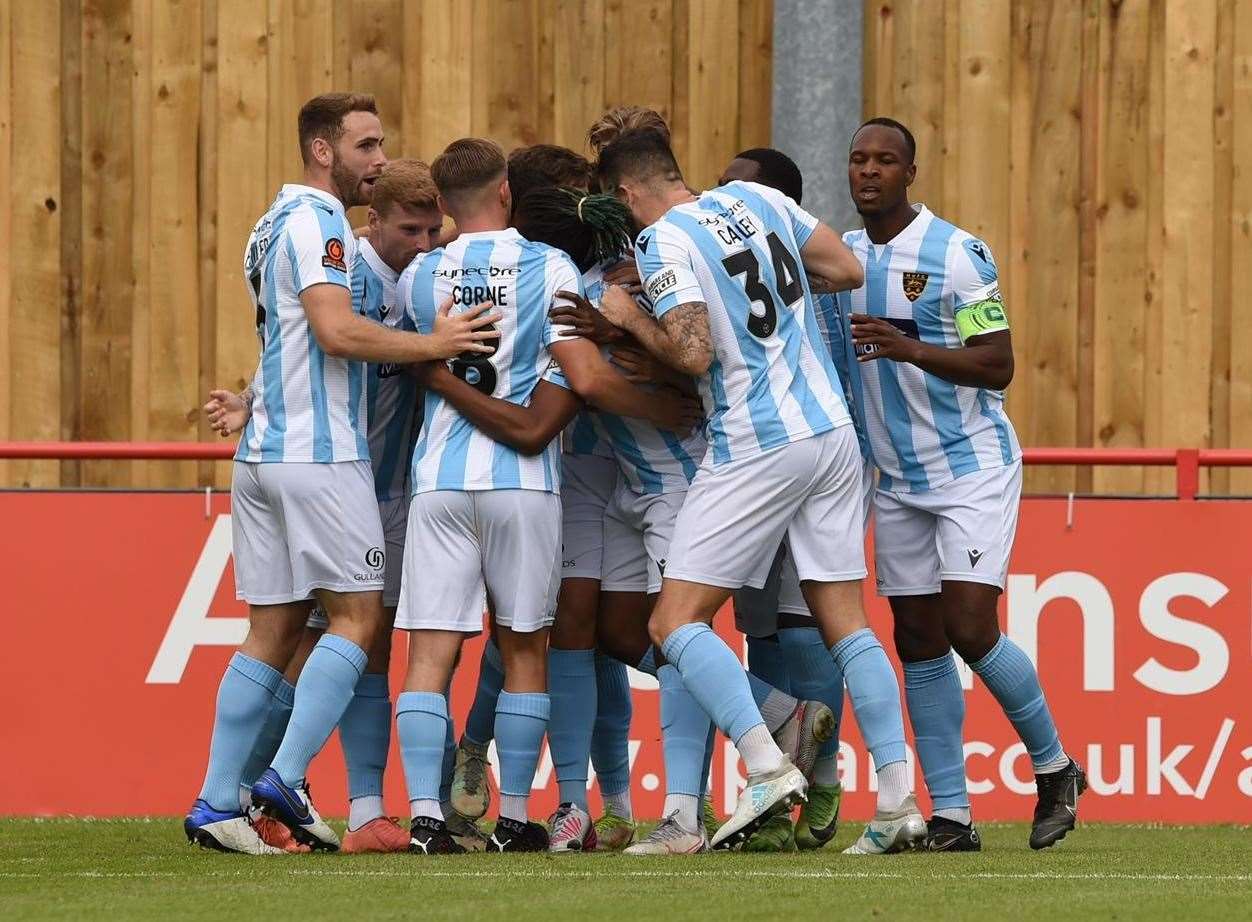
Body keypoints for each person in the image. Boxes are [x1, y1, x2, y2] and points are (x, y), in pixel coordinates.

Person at [595, 128, 925, 854]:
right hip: (831, 432)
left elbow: (692, 351)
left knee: (671, 624)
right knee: (849, 623)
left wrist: (629, 320)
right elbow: (840, 267)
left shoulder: (661, 242)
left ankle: (767, 765)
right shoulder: (755, 197)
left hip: (756, 439)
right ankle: (899, 801)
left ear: (626, 194)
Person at [184, 95, 498, 856]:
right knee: (359, 621)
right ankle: (286, 780)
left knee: (273, 628)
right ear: (323, 150)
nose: (378, 156)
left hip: (266, 456)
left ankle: (215, 803)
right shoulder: (322, 223)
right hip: (321, 456)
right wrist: (437, 343)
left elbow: (290, 328)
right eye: (366, 144)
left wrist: (252, 396)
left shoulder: (271, 224)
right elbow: (331, 329)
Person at [394, 139, 695, 855]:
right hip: (523, 485)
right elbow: (577, 376)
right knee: (528, 648)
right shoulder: (549, 266)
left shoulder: (421, 276)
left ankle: (423, 818)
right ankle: (519, 816)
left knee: (430, 654)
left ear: (442, 203)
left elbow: (424, 359)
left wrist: (443, 378)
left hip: (438, 479)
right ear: (507, 194)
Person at [840, 117, 1085, 851]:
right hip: (896, 478)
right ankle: (953, 816)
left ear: (911, 172)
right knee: (916, 637)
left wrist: (909, 346)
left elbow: (998, 363)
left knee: (970, 627)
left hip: (970, 467)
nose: (869, 171)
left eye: (885, 160)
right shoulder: (843, 261)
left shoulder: (956, 254)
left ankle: (1055, 767)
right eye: (858, 159)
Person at [447, 145, 649, 852]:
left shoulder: (606, 271)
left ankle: (607, 802)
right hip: (524, 472)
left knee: (583, 640)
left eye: (589, 191)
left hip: (599, 475)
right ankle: (529, 777)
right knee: (531, 633)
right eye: (570, 194)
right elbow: (571, 394)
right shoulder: (526, 273)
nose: (586, 206)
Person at [716, 147, 868, 852]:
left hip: (802, 461)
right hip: (762, 456)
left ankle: (825, 778)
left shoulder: (817, 277)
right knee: (763, 629)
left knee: (807, 624)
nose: (719, 205)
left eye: (734, 191)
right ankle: (781, 796)